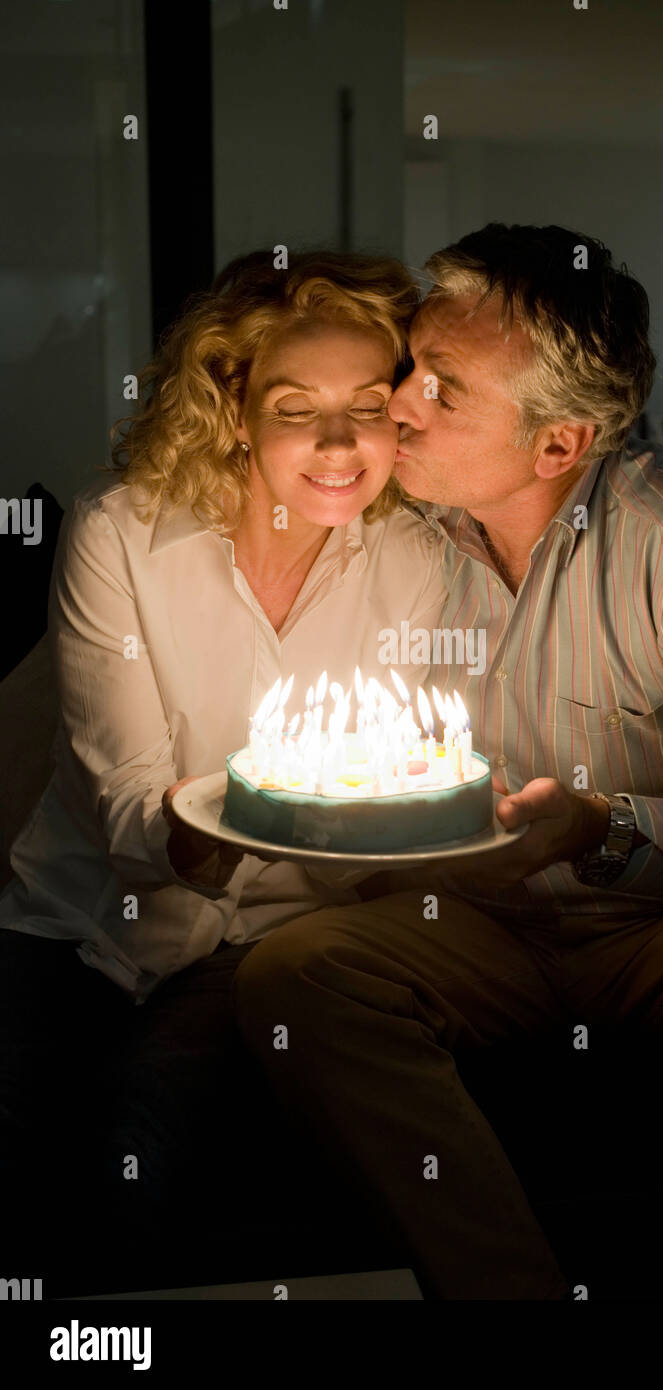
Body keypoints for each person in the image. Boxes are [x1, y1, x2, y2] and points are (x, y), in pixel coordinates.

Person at [232, 223, 663, 1301]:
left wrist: (613, 828)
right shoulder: (401, 523)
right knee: (296, 975)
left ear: (558, 445)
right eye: (411, 369)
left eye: (444, 390)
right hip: (474, 923)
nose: (399, 407)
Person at [0, 248, 446, 1285]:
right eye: (297, 407)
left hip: (272, 941)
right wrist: (232, 822)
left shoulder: (417, 562)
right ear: (233, 404)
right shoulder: (119, 532)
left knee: (138, 1167)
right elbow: (125, 810)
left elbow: (398, 807)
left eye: (367, 404)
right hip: (75, 924)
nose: (339, 444)